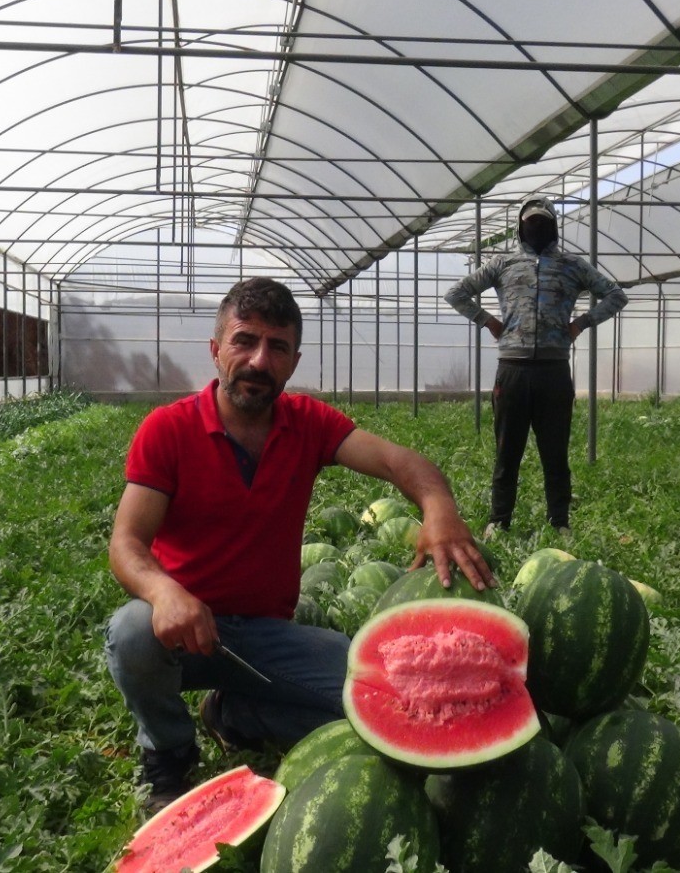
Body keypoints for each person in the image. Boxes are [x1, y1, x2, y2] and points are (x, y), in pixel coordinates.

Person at [105, 276, 494, 813]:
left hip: (265, 638)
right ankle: (168, 750)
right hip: (182, 632)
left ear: (293, 360)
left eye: (278, 347)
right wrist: (163, 591)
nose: (260, 360)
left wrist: (439, 508)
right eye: (245, 341)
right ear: (216, 350)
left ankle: (236, 714)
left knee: (386, 705)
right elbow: (126, 544)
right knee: (130, 632)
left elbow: (399, 461)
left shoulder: (307, 423)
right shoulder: (167, 430)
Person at [444, 196, 627, 537]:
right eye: (532, 222)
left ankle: (559, 522)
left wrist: (582, 323)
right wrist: (487, 320)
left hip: (554, 372)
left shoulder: (572, 266)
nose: (537, 228)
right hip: (512, 370)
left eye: (543, 223)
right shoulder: (503, 263)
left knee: (555, 453)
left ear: (554, 227)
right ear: (520, 226)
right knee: (506, 451)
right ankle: (499, 521)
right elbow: (457, 293)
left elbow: (616, 295)